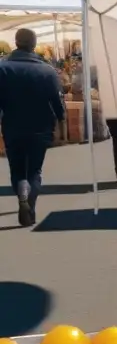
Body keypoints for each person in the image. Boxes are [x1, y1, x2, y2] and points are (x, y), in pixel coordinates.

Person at [0, 28, 64, 226]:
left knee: (17, 168)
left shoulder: (3, 68)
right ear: (34, 45)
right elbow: (56, 102)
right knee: (34, 170)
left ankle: (21, 196)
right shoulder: (47, 70)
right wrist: (61, 124)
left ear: (16, 42)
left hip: (12, 126)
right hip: (41, 127)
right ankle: (30, 205)